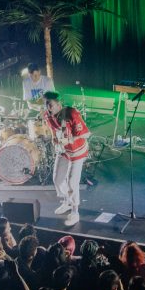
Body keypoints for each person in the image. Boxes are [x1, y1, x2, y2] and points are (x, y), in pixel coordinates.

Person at [43, 91, 91, 226]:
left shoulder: (71, 113)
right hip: (63, 151)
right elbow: (51, 126)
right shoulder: (48, 114)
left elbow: (86, 133)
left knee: (72, 183)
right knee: (57, 179)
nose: (48, 108)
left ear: (59, 104)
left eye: (50, 105)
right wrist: (54, 137)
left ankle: (75, 212)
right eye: (46, 105)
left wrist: (70, 139)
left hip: (77, 151)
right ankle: (67, 201)